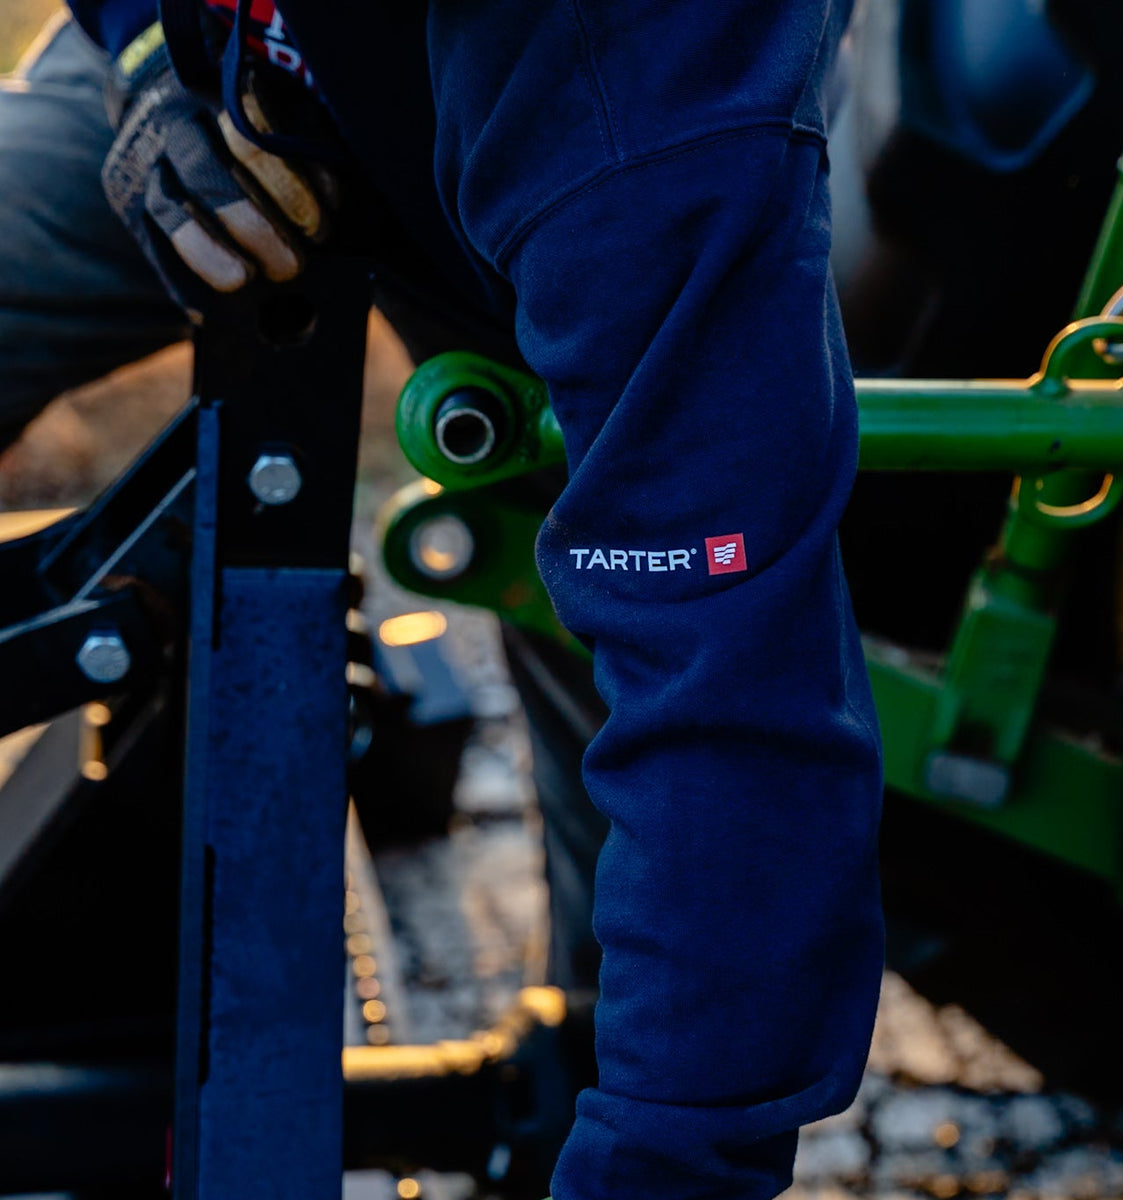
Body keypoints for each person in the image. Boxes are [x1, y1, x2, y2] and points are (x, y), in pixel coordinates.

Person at [12, 2, 886, 1199]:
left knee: (630, 638)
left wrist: (665, 1164)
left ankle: (580, 1076)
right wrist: (142, 50)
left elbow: (735, 722)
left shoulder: (652, 112)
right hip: (230, 71)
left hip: (560, 148)